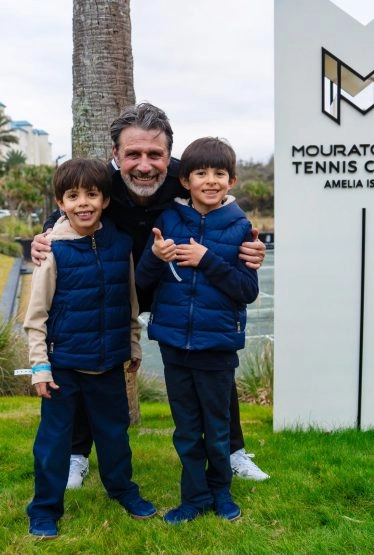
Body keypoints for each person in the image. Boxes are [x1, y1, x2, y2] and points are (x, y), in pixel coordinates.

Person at [31, 103, 270, 489]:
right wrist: (43, 238)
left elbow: (224, 204)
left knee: (214, 361)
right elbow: (71, 207)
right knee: (83, 358)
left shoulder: (186, 176)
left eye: (155, 154)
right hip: (112, 286)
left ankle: (234, 452)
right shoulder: (102, 181)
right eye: (133, 154)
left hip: (173, 286)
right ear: (115, 155)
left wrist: (249, 246)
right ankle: (77, 454)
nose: (144, 165)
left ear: (169, 155)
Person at [23, 158, 156, 539]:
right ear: (60, 203)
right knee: (53, 441)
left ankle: (123, 490)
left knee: (115, 434)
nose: (84, 203)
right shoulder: (53, 250)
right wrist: (39, 367)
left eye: (92, 194)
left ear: (105, 200)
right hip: (62, 365)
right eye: (73, 195)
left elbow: (129, 303)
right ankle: (45, 509)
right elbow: (36, 316)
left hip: (109, 363)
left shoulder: (121, 244)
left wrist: (132, 346)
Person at [136, 136, 259, 523]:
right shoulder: (169, 220)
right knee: (187, 430)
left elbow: (246, 291)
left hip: (218, 345)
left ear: (232, 181)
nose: (210, 180)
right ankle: (194, 498)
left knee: (217, 429)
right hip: (174, 343)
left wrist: (207, 260)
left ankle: (221, 492)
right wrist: (156, 257)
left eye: (219, 173)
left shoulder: (241, 227)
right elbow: (142, 280)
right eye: (200, 173)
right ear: (185, 180)